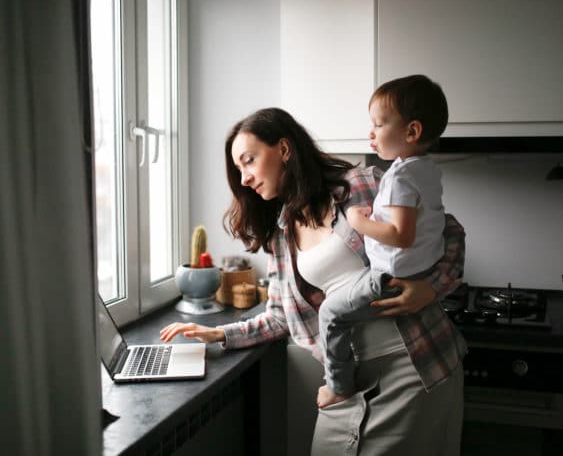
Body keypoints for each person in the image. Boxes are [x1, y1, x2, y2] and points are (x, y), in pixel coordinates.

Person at [160, 106, 467, 455]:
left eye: (248, 160)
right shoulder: (281, 235)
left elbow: (450, 233)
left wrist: (432, 289)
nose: (243, 178)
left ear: (284, 150)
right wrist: (221, 334)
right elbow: (280, 317)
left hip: (414, 365)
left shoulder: (361, 185)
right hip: (344, 380)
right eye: (238, 168)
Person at [316, 74, 452, 408]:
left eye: (378, 124)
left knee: (330, 313)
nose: (371, 133)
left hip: (389, 279)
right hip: (419, 270)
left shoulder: (398, 176)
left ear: (412, 132)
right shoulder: (426, 170)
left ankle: (338, 386)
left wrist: (359, 221)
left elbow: (401, 235)